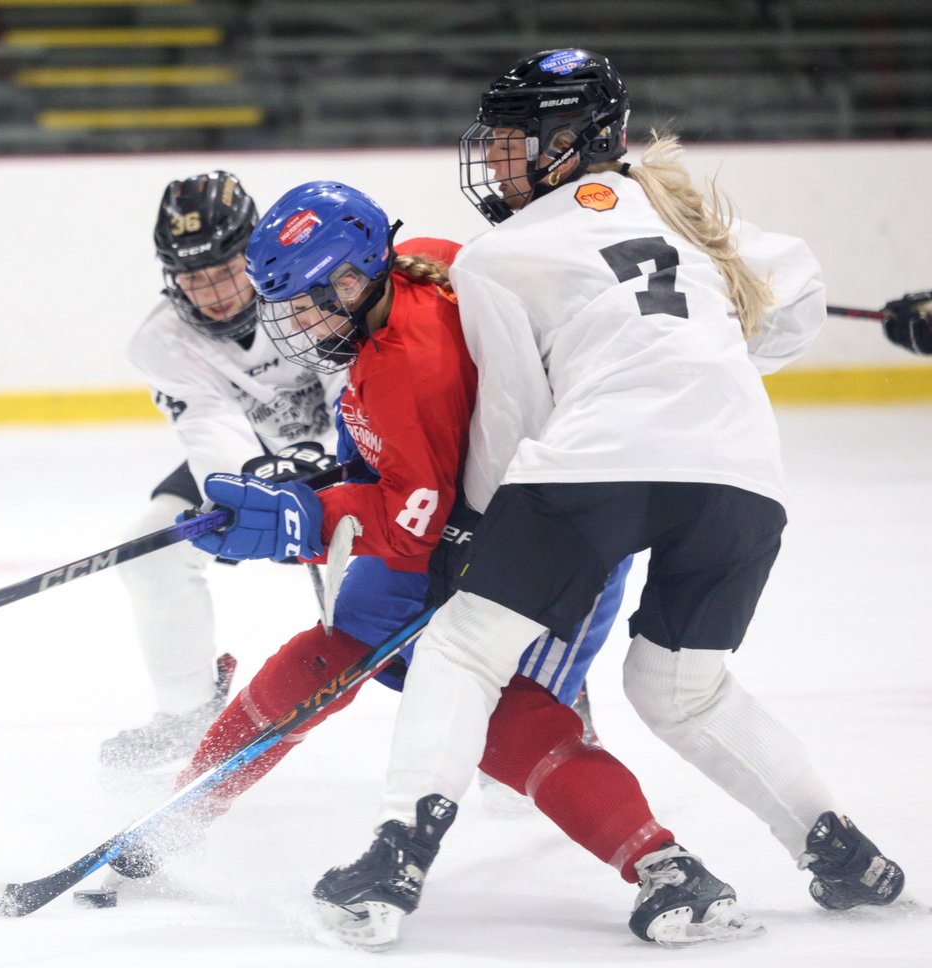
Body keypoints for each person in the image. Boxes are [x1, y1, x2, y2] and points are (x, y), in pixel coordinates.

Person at [314, 47, 906, 947]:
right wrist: (700, 361)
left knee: (465, 650)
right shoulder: (681, 214)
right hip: (741, 469)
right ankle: (842, 851)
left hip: (599, 461)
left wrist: (468, 530)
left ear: (566, 142)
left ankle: (394, 858)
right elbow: (799, 293)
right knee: (682, 689)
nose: (497, 161)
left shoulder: (498, 253)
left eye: (512, 143)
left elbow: (516, 412)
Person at [109, 180, 758, 948]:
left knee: (490, 711)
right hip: (463, 506)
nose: (292, 325)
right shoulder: (414, 273)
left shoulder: (404, 364)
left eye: (306, 304)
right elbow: (407, 482)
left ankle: (664, 862)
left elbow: (412, 522)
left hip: (531, 526)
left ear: (352, 281)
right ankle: (179, 817)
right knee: (337, 654)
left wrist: (303, 523)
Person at [98, 171, 344, 771]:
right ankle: (187, 710)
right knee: (149, 549)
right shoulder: (162, 341)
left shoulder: (315, 286)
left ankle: (495, 725)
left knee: (368, 615)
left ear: (254, 249)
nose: (212, 292)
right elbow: (211, 432)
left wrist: (336, 464)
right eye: (193, 277)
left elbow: (359, 386)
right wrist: (251, 489)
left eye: (226, 270)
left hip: (356, 451)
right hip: (256, 459)